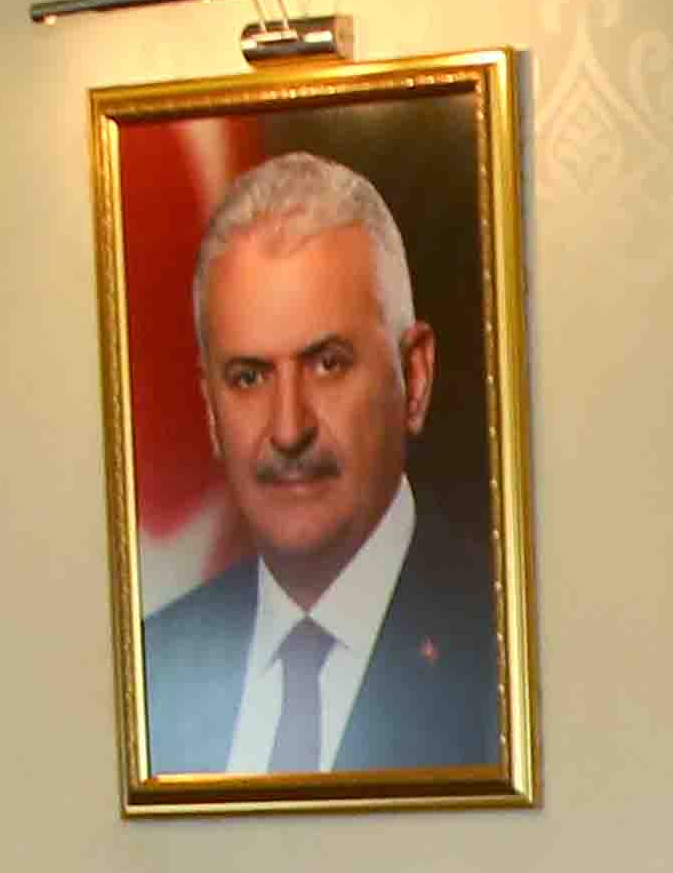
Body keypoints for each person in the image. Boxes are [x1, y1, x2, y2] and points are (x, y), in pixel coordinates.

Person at [134, 153, 500, 779]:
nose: (288, 429)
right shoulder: (153, 670)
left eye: (328, 364)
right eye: (248, 377)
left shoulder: (508, 651)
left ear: (414, 379)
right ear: (210, 408)